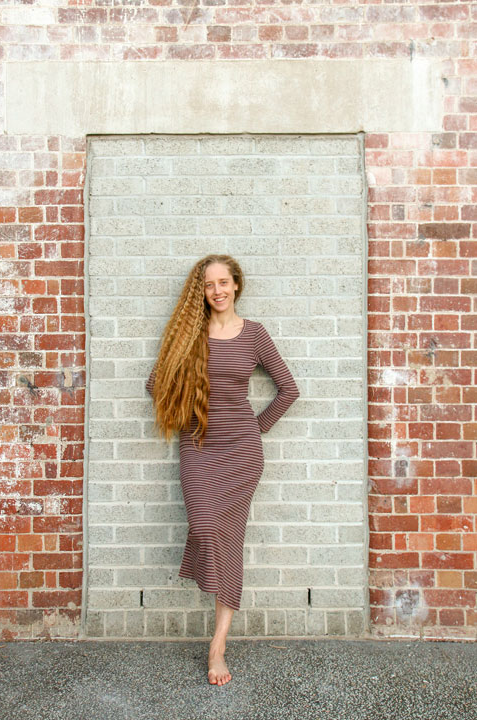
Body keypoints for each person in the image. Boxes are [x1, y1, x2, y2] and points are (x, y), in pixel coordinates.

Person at [146, 254, 300, 686]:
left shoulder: (254, 335)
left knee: (230, 539)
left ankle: (218, 645)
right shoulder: (187, 336)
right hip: (198, 447)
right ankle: (216, 619)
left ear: (236, 285)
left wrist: (256, 426)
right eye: (209, 285)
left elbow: (288, 389)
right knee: (203, 526)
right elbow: (154, 384)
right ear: (202, 291)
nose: (217, 291)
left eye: (224, 283)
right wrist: (184, 410)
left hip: (242, 454)